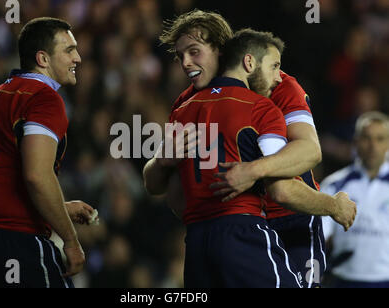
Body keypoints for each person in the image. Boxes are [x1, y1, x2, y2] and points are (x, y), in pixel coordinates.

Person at [143, 9, 349, 287]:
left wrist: (252, 171)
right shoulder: (187, 102)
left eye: (194, 52)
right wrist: (162, 162)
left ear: (221, 49)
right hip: (242, 225)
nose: (185, 63)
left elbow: (310, 151)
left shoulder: (280, 84)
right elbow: (166, 186)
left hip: (291, 219)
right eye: (180, 56)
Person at [0, 17, 98, 288]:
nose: (77, 57)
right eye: (68, 50)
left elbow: (3, 183)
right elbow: (37, 177)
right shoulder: (44, 98)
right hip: (16, 244)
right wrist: (71, 240)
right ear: (43, 58)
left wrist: (60, 210)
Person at [321, 111, 389, 288]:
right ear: (356, 141)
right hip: (342, 278)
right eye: (366, 138)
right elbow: (320, 235)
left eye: (380, 138)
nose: (373, 145)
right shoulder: (335, 184)